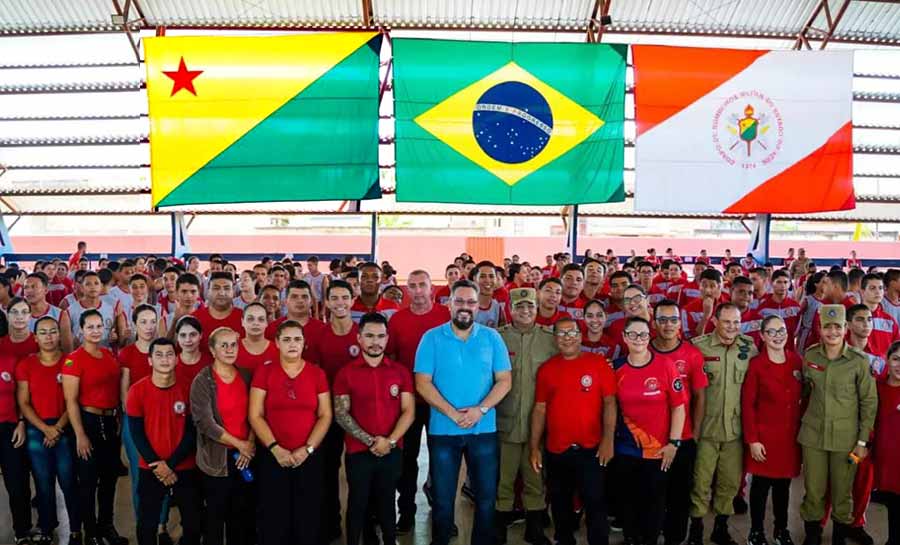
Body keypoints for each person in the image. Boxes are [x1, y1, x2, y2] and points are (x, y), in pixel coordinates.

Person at [414, 279, 512, 545]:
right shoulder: (431, 338)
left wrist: (480, 410)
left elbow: (504, 380)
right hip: (443, 430)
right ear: (449, 304)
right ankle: (441, 539)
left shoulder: (492, 338)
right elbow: (422, 382)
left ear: (478, 306)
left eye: (471, 302)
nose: (465, 307)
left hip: (483, 429)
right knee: (443, 497)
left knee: (485, 496)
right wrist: (453, 413)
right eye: (459, 301)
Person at [530, 317, 616, 545]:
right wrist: (534, 448)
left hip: (592, 449)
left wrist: (608, 441)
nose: (567, 338)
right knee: (560, 502)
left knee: (595, 501)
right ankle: (564, 539)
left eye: (572, 333)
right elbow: (540, 409)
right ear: (555, 338)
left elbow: (609, 403)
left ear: (580, 335)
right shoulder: (547, 369)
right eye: (561, 333)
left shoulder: (598, 364)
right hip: (557, 449)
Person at [799, 305, 878, 545]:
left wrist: (862, 441)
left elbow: (869, 402)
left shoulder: (858, 361)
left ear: (845, 328)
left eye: (837, 326)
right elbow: (803, 392)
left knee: (843, 492)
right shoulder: (810, 356)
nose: (832, 332)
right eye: (827, 326)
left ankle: (840, 537)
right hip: (813, 437)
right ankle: (813, 534)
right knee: (813, 490)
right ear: (820, 329)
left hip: (847, 440)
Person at [334, 312, 415, 545]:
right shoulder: (345, 373)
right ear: (359, 338)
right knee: (358, 504)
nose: (375, 341)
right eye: (369, 336)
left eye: (380, 336)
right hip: (358, 453)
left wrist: (389, 441)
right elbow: (341, 413)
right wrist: (371, 441)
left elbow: (408, 411)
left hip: (392, 450)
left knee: (387, 501)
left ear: (387, 338)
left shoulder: (399, 372)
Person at [249, 320, 332, 545]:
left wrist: (308, 449)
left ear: (304, 343)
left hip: (308, 455)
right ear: (276, 343)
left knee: (308, 514)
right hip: (273, 454)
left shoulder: (317, 374)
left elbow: (325, 415)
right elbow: (255, 415)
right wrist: (275, 448)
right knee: (274, 514)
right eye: (286, 339)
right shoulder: (264, 371)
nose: (292, 344)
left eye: (297, 339)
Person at [385, 269, 450, 532]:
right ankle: (407, 511)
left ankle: (443, 514)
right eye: (412, 286)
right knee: (406, 460)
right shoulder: (398, 320)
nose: (418, 290)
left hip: (442, 402)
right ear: (407, 290)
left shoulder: (446, 316)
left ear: (431, 288)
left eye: (422, 284)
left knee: (442, 460)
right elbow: (389, 360)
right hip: (408, 402)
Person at [688, 303, 759, 545]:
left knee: (729, 484)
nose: (732, 327)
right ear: (716, 321)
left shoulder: (749, 348)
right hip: (706, 430)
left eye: (736, 323)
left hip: (735, 431)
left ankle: (721, 528)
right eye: (727, 322)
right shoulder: (699, 347)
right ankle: (696, 530)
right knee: (700, 482)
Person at [613, 316, 686, 545]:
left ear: (649, 336)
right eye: (632, 334)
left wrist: (674, 444)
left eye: (643, 334)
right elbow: (607, 408)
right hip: (625, 449)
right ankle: (631, 538)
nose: (638, 339)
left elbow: (679, 408)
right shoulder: (616, 368)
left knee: (654, 503)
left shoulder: (665, 366)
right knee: (628, 501)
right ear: (625, 337)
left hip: (658, 451)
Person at [495, 288, 557, 545]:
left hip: (537, 426)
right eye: (520, 306)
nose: (525, 311)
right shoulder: (497, 338)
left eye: (530, 306)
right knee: (503, 479)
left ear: (536, 307)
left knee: (535, 479)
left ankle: (534, 529)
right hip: (504, 424)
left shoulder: (550, 339)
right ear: (510, 309)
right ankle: (498, 529)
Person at [61, 309, 128, 545]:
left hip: (110, 423)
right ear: (81, 330)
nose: (95, 331)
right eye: (90, 327)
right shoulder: (74, 359)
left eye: (99, 326)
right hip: (87, 422)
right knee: (88, 482)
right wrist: (80, 435)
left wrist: (118, 418)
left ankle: (106, 526)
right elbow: (70, 400)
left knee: (109, 480)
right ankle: (90, 533)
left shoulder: (109, 355)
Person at [125, 337, 201, 545]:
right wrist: (159, 466)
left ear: (177, 359)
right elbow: (137, 435)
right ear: (150, 360)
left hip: (185, 466)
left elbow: (192, 433)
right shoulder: (136, 391)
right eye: (158, 355)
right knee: (147, 523)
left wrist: (171, 465)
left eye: (169, 355)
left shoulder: (189, 389)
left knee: (193, 522)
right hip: (151, 467)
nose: (165, 359)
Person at [16, 316, 81, 544]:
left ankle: (75, 529)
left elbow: (74, 399)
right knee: (43, 482)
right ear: (36, 337)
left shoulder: (70, 362)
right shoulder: (26, 364)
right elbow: (23, 402)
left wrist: (58, 428)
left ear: (59, 334)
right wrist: (45, 428)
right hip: (37, 428)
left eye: (53, 331)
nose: (49, 336)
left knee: (68, 480)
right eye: (43, 332)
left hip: (65, 426)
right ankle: (46, 526)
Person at [649, 300, 708, 545]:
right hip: (649, 441)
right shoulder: (644, 349)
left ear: (680, 323)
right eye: (662, 320)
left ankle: (675, 538)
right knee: (651, 495)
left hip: (682, 439)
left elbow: (700, 396)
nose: (668, 325)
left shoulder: (692, 354)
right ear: (653, 323)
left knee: (679, 495)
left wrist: (694, 432)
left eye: (673, 319)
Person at [741, 315, 803, 545]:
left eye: (782, 331)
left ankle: (781, 529)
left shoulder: (796, 361)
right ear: (763, 336)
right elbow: (748, 405)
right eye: (772, 332)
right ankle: (756, 531)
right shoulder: (756, 365)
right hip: (764, 436)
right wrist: (753, 440)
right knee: (760, 486)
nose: (778, 336)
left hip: (789, 437)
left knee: (783, 487)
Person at [307, 279, 361, 541]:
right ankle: (330, 523)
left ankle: (363, 521)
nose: (340, 303)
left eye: (344, 298)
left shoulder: (362, 333)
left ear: (353, 300)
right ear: (326, 302)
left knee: (359, 471)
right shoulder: (319, 335)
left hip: (359, 415)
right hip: (326, 414)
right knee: (327, 472)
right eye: (334, 298)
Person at [191, 327, 256, 545]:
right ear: (212, 349)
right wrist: (240, 444)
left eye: (234, 344)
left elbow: (256, 414)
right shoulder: (202, 381)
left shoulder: (246, 376)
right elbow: (206, 423)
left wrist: (250, 445)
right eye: (224, 345)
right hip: (216, 459)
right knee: (215, 518)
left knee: (242, 515)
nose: (230, 349)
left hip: (246, 458)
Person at [118, 304, 172, 544]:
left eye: (153, 322)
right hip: (136, 422)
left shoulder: (164, 351)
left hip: (164, 421)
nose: (149, 327)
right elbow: (124, 391)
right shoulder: (128, 353)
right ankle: (144, 524)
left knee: (166, 471)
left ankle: (161, 526)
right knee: (141, 476)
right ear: (134, 325)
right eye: (144, 322)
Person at [1, 318, 33, 545]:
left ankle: (22, 531)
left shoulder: (11, 360)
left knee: (17, 483)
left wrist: (21, 422)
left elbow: (22, 397)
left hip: (10, 428)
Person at [873, 341, 900, 545]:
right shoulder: (877, 388)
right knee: (892, 503)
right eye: (896, 359)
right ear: (887, 360)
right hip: (885, 458)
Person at [238, 302, 280, 372]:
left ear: (267, 322)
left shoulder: (277, 350)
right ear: (242, 321)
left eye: (261, 319)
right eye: (250, 319)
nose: (256, 323)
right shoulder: (233, 348)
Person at [174, 316, 213, 387]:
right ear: (177, 337)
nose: (188, 340)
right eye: (183, 335)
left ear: (201, 335)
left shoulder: (211, 362)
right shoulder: (171, 363)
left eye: (193, 335)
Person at [1, 297, 40, 362]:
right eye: (14, 312)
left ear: (30, 316)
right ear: (7, 316)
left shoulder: (40, 342)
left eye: (24, 312)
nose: (19, 317)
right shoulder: (1, 344)